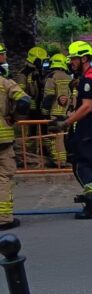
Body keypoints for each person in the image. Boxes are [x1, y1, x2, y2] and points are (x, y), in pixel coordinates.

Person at [52, 41, 92, 219]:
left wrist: (66, 122)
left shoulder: (88, 79)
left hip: (88, 126)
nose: (71, 62)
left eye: (74, 58)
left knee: (80, 163)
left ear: (84, 58)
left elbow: (86, 107)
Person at [0, 62, 32, 229]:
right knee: (3, 176)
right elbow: (25, 101)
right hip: (2, 138)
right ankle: (4, 219)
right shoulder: (5, 83)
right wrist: (13, 117)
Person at [41, 53, 71, 167]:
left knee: (55, 139)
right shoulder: (69, 77)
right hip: (67, 114)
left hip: (54, 113)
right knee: (63, 137)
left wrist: (44, 113)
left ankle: (58, 161)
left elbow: (48, 97)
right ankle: (65, 159)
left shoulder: (52, 76)